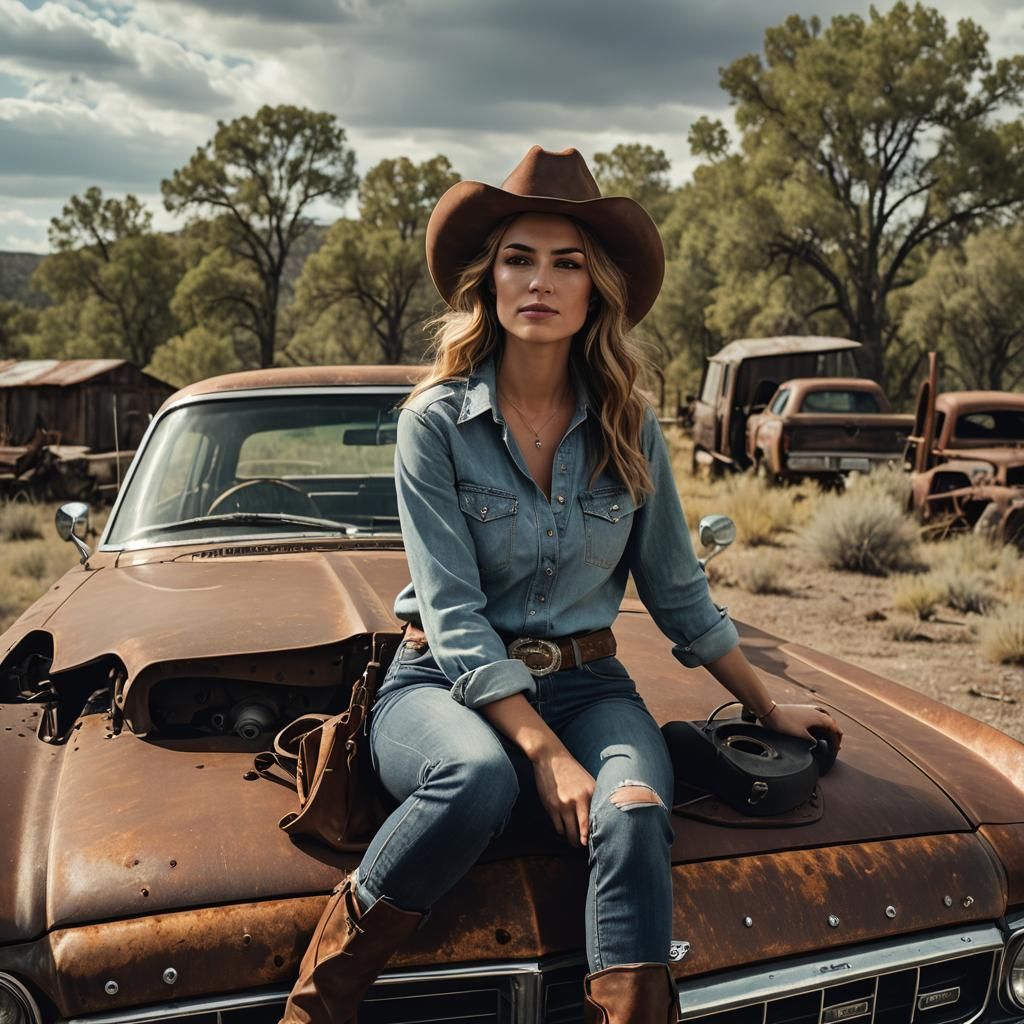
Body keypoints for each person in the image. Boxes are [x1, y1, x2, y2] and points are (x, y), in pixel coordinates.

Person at [280, 146, 844, 1024]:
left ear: (595, 290)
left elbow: (679, 594)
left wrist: (769, 711)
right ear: (489, 282)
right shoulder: (435, 424)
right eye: (519, 258)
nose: (540, 281)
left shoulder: (629, 426)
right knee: (476, 779)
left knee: (633, 806)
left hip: (589, 685)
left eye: (566, 263)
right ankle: (318, 1004)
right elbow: (454, 615)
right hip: (440, 683)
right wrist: (544, 755)